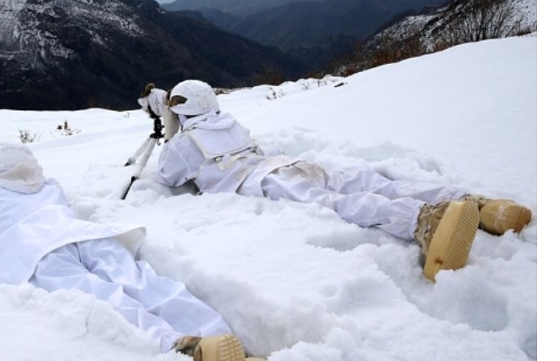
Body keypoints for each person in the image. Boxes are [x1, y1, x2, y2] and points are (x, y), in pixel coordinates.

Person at [140, 79, 532, 282]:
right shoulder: (229, 122)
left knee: (339, 204)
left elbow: (169, 176)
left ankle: (423, 221)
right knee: (366, 180)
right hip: (288, 162)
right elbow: (187, 105)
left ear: (182, 110)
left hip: (264, 179)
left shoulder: (183, 144)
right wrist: (166, 104)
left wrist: (168, 130)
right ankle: (475, 204)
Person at [0, 142, 260, 361]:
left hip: (37, 252)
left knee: (100, 296)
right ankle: (219, 336)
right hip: (84, 236)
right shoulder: (50, 185)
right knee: (143, 283)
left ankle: (182, 348)